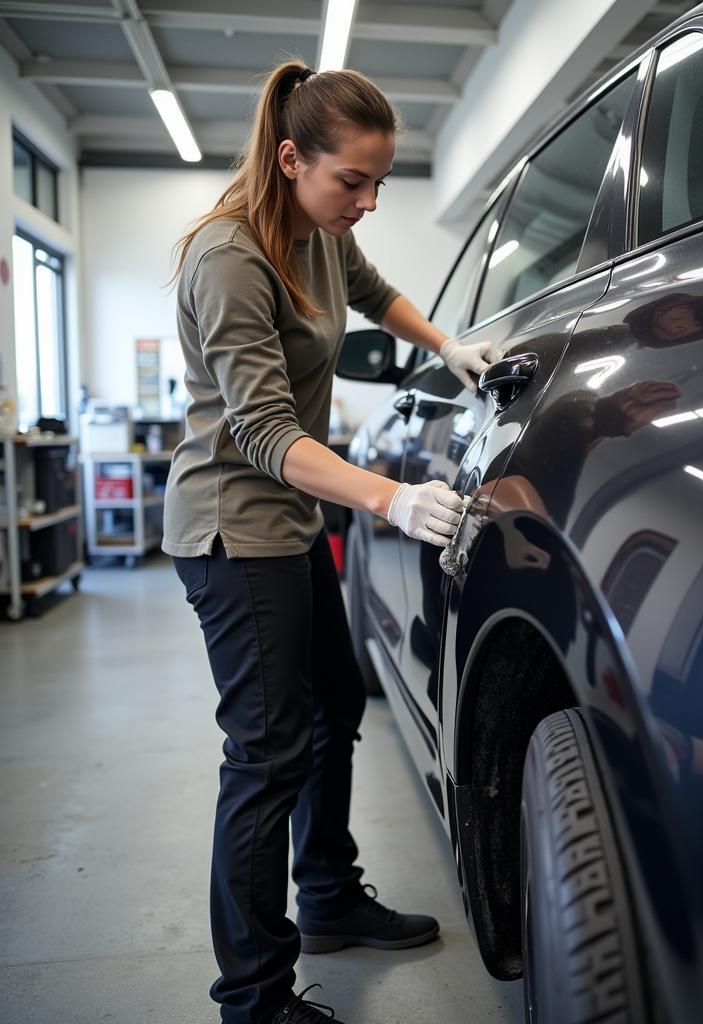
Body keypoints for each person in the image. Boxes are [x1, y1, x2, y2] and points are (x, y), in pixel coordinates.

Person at [163, 61, 500, 1024]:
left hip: (294, 522)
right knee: (266, 754)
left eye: (380, 181)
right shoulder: (230, 258)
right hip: (234, 530)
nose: (368, 200)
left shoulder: (321, 233)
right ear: (289, 158)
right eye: (351, 180)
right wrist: (390, 500)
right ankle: (255, 998)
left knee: (334, 704)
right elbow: (266, 435)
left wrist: (447, 349)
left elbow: (374, 291)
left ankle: (327, 900)